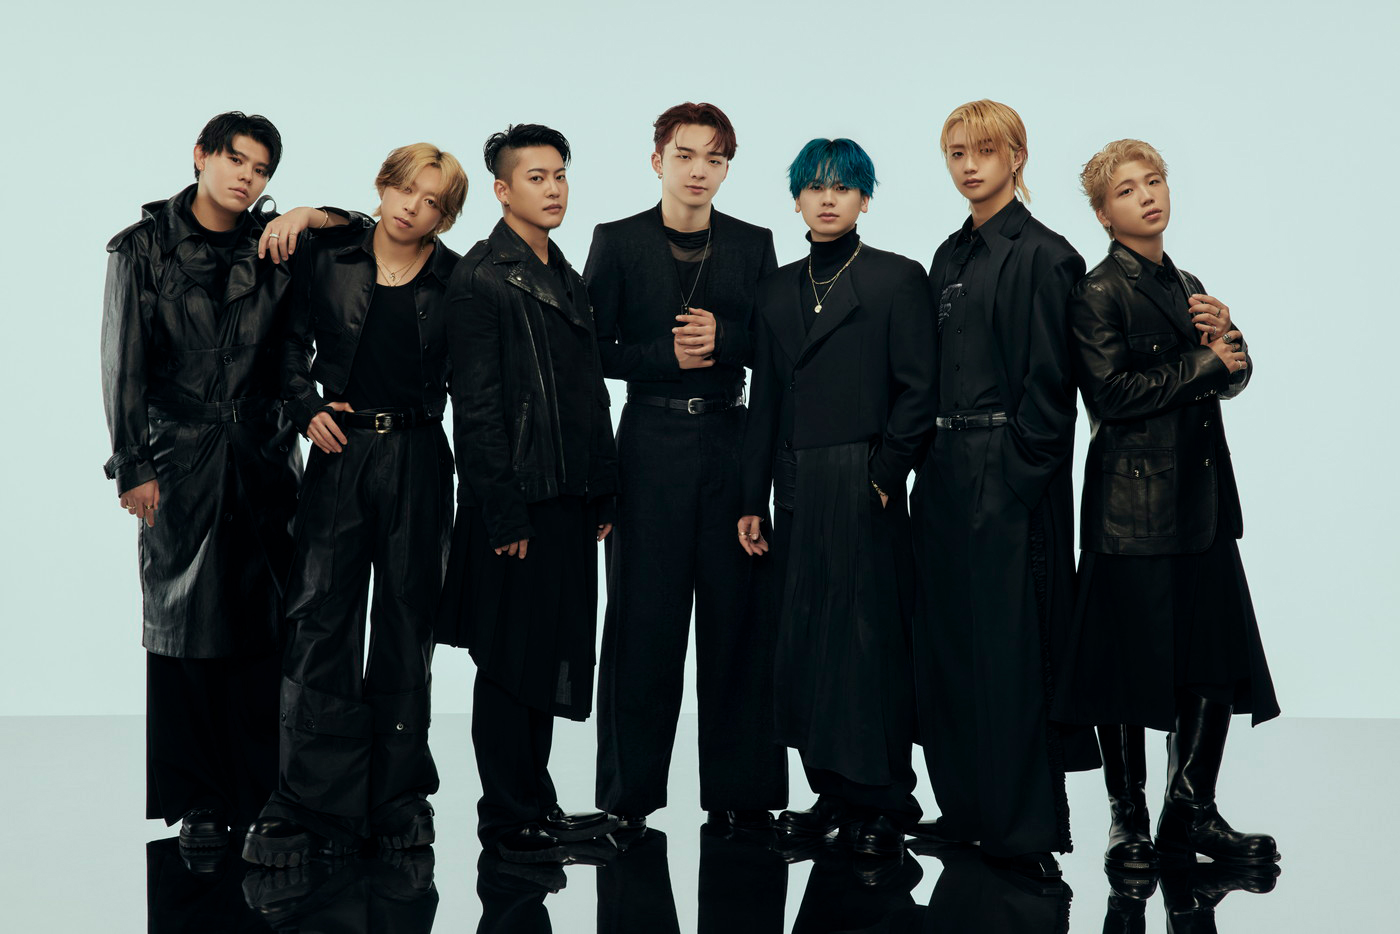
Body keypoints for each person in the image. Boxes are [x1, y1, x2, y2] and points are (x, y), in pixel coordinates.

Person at [1053, 139, 1279, 870]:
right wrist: (1204, 361)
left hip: (1203, 505)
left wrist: (1228, 341)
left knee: (1212, 664)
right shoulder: (1096, 291)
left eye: (1153, 181)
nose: (1147, 196)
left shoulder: (1189, 282)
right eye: (1127, 190)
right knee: (1125, 673)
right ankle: (1128, 820)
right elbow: (1109, 395)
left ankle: (1192, 812)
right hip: (1132, 512)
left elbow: (1230, 378)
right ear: (1102, 214)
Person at [242, 143, 467, 867]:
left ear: (444, 217)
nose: (413, 208)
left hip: (420, 457)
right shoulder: (330, 254)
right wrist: (305, 406)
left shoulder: (458, 279)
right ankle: (310, 802)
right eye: (406, 190)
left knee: (407, 621)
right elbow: (286, 348)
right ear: (384, 186)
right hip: (340, 455)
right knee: (320, 618)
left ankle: (397, 798)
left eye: (432, 202)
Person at [102, 111, 319, 851]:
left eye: (261, 170)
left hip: (264, 457)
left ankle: (261, 792)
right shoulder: (142, 248)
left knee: (263, 624)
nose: (246, 178)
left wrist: (306, 214)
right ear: (201, 155)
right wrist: (132, 464)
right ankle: (197, 800)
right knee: (183, 626)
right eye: (235, 160)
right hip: (179, 458)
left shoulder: (279, 243)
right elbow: (122, 361)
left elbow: (361, 229)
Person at [586, 101, 786, 833]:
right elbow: (588, 350)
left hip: (730, 441)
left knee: (739, 625)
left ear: (727, 168)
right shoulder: (616, 241)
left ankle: (744, 797)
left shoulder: (753, 244)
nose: (699, 170)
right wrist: (661, 355)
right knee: (642, 625)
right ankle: (627, 801)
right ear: (657, 161)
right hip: (647, 443)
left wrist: (726, 338)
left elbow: (777, 350)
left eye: (715, 158)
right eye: (685, 155)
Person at [738, 138, 936, 860]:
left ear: (864, 199)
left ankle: (884, 800)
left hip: (863, 480)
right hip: (795, 483)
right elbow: (765, 400)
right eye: (815, 187)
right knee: (805, 643)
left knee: (869, 643)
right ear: (796, 199)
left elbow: (919, 389)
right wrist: (751, 497)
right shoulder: (775, 290)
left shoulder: (895, 278)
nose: (828, 199)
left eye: (843, 187)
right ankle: (830, 792)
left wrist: (884, 474)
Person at [909, 99, 1090, 879]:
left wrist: (1014, 480)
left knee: (1014, 653)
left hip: (1007, 473)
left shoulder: (1046, 255)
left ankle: (1024, 831)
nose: (969, 165)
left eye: (983, 150)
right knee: (948, 646)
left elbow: (1052, 392)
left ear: (1016, 156)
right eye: (956, 152)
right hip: (942, 471)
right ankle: (965, 813)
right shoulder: (948, 255)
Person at [437, 124, 620, 864]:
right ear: (502, 190)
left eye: (559, 175)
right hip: (519, 502)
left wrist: (602, 490)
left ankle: (535, 802)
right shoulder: (482, 277)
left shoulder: (561, 270)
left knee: (545, 654)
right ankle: (508, 818)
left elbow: (587, 393)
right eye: (535, 178)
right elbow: (477, 409)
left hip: (568, 496)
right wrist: (502, 509)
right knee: (510, 658)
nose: (552, 189)